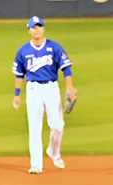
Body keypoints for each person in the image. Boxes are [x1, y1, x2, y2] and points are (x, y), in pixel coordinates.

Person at [12, 16, 77, 174]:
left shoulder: (54, 47)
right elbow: (19, 74)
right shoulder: (23, 51)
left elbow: (66, 68)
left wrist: (69, 87)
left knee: (57, 125)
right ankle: (36, 165)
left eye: (39, 26)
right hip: (33, 90)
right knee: (34, 128)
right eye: (33, 27)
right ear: (29, 31)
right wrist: (17, 94)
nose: (37, 30)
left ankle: (53, 152)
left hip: (51, 89)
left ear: (43, 29)